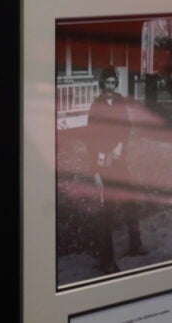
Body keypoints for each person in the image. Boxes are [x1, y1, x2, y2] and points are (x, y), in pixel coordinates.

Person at [85, 66, 146, 274]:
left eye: (113, 82)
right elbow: (90, 140)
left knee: (130, 201)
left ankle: (135, 245)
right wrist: (95, 172)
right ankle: (107, 260)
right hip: (104, 166)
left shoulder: (119, 100)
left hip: (120, 162)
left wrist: (121, 144)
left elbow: (126, 126)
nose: (110, 87)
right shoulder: (96, 106)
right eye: (107, 83)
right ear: (102, 83)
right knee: (107, 213)